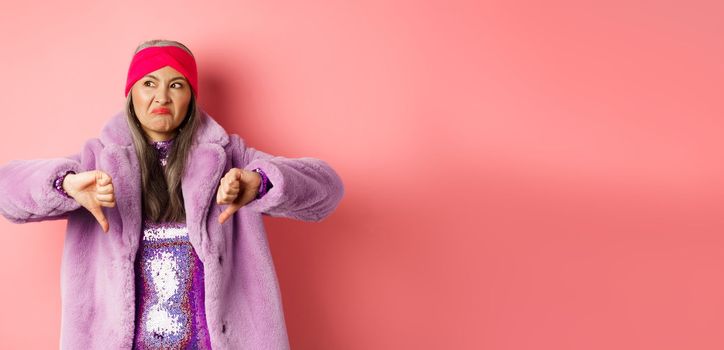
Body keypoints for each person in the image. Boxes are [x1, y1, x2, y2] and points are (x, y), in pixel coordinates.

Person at [0, 39, 345, 349]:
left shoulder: (232, 160)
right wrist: (64, 184)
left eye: (176, 84)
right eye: (149, 83)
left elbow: (327, 188)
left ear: (191, 97)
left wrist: (262, 183)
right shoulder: (97, 162)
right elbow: (8, 190)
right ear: (131, 94)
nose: (161, 97)